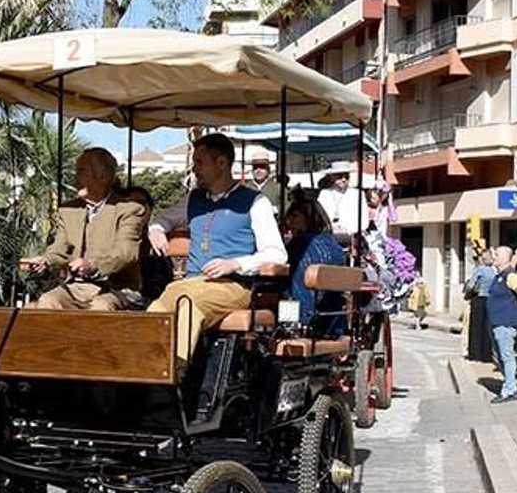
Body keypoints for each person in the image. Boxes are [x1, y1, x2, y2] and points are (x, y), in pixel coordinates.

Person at [147, 133, 286, 362]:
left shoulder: (254, 201)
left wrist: (235, 263)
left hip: (233, 286)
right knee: (158, 306)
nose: (194, 169)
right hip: (190, 283)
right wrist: (156, 230)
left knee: (188, 303)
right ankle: (143, 372)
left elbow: (277, 254)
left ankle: (174, 371)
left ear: (221, 163)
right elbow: (163, 219)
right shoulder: (194, 199)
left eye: (200, 163)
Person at [26, 147, 146, 310]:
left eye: (81, 172)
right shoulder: (68, 211)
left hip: (117, 288)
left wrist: (92, 265)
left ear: (102, 176)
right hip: (77, 288)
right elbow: (59, 248)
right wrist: (46, 260)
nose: (75, 178)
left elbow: (126, 252)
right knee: (48, 301)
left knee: (101, 306)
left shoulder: (129, 210)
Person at [283, 192, 347, 335]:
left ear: (308, 218)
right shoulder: (334, 246)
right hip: (333, 319)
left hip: (302, 316)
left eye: (294, 216)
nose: (289, 222)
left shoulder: (301, 244)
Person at [485, 246, 517, 404]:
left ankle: (510, 390)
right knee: (499, 356)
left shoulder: (510, 275)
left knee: (507, 356)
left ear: (507, 258)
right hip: (496, 322)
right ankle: (509, 384)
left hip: (505, 323)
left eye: (497, 254)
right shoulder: (499, 275)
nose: (494, 256)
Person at [465, 248, 495, 363]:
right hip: (490, 299)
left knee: (476, 327)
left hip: (479, 299)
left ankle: (475, 354)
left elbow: (471, 285)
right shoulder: (494, 270)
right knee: (487, 327)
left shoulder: (479, 270)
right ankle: (486, 355)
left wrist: (467, 290)